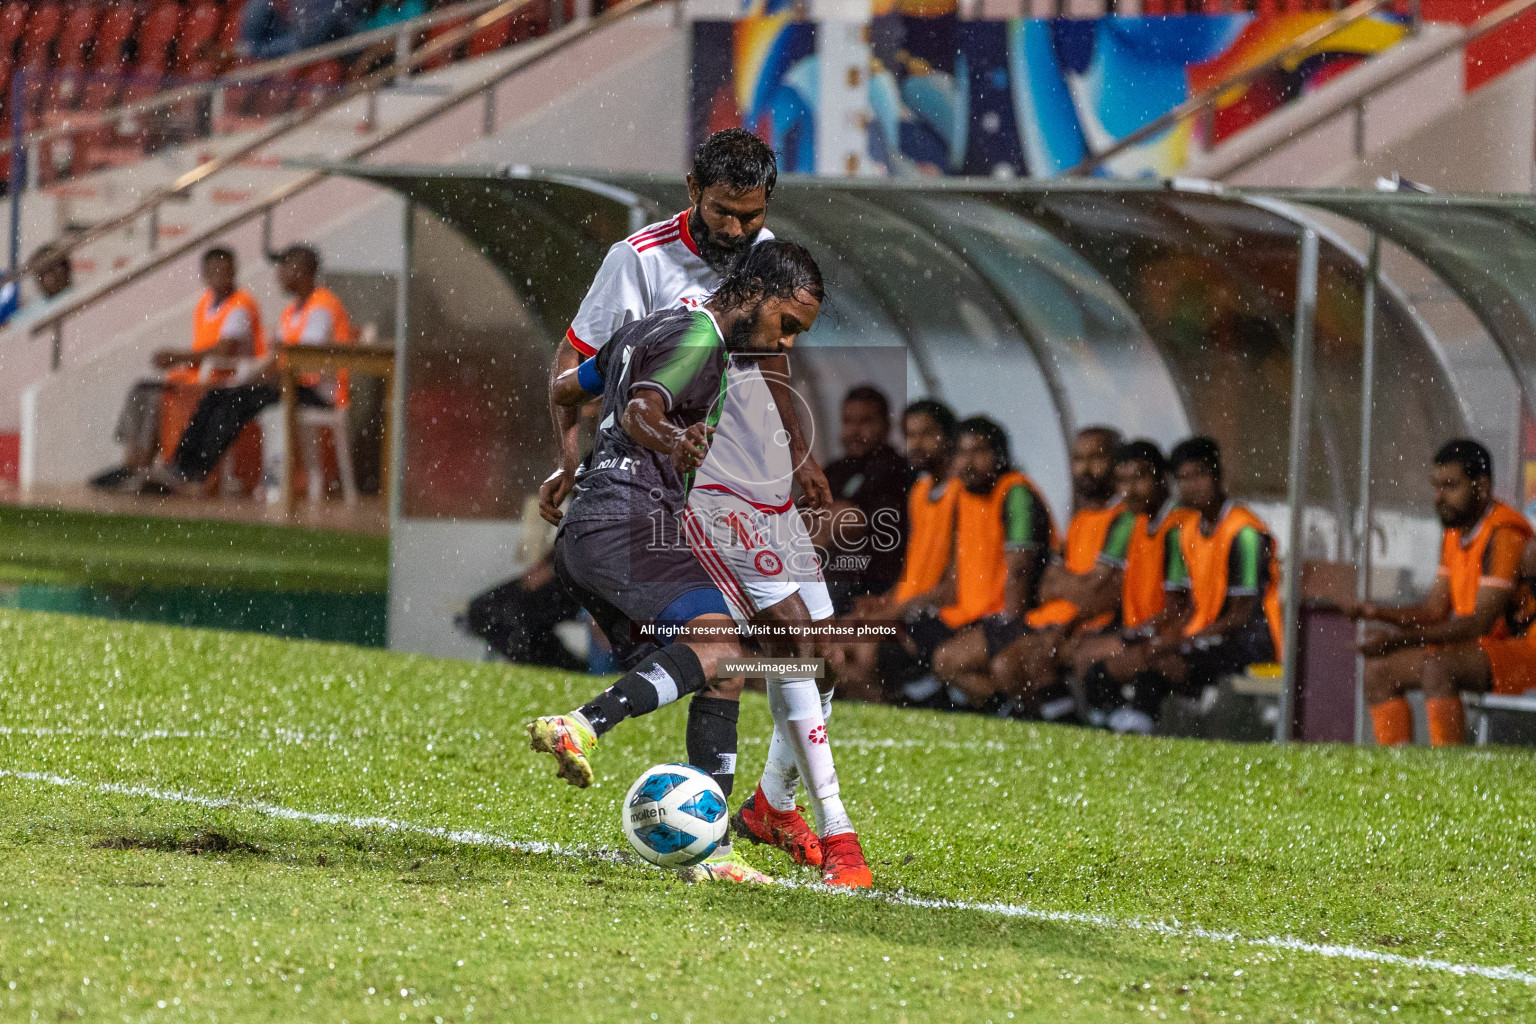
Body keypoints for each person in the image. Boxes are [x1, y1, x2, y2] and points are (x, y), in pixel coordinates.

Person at [537, 129, 849, 880]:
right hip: (659, 493)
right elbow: (595, 372)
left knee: (791, 651)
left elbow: (588, 382)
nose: (738, 231)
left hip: (715, 481)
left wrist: (794, 454)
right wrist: (577, 460)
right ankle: (814, 826)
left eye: (751, 216)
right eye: (722, 213)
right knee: (762, 645)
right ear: (690, 190)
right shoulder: (640, 265)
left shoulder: (759, 264)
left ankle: (737, 829)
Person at [1342, 439, 1534, 747]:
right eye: (1436, 486)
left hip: (1525, 652)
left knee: (1439, 667)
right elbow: (1434, 610)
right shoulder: (1455, 532)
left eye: (1450, 485)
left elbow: (1477, 625)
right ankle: (1397, 770)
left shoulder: (1504, 534)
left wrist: (1395, 639)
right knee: (1379, 671)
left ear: (1481, 486)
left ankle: (1446, 772)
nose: (1438, 496)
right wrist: (1375, 611)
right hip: (1481, 649)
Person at [133, 244, 354, 494]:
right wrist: (254, 378)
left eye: (283, 267)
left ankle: (195, 474)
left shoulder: (321, 308)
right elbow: (280, 359)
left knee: (235, 401)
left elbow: (301, 360)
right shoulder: (292, 311)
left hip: (317, 393)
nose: (278, 274)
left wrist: (256, 380)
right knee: (217, 396)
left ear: (301, 270)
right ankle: (179, 467)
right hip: (291, 386)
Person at [1111, 437, 1282, 735]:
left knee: (1163, 661)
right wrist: (1164, 635)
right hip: (1211, 634)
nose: (1192, 485)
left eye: (1200, 475)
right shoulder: (1187, 530)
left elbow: (1243, 615)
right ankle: (1126, 721)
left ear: (1217, 475)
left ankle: (1140, 726)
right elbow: (1188, 604)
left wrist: (1185, 640)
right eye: (1183, 478)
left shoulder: (1245, 532)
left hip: (1252, 642)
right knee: (1135, 655)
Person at [990, 426, 1133, 716]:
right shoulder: (1080, 519)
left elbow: (1102, 594)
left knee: (1034, 657)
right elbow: (1049, 585)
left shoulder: (1126, 518)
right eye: (1078, 459)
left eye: (1096, 458)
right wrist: (1076, 587)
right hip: (1060, 622)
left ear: (1117, 465)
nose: (1085, 468)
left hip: (1100, 627)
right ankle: (1047, 721)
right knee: (1007, 664)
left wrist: (1066, 614)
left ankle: (1071, 722)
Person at [95, 248, 267, 487]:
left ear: (234, 271)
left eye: (225, 270)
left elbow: (223, 351)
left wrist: (178, 357)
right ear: (204, 275)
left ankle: (144, 464)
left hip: (224, 378)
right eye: (214, 271)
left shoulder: (240, 305)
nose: (220, 276)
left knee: (156, 398)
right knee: (142, 391)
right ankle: (131, 461)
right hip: (199, 375)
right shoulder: (205, 304)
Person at [921, 417, 1055, 709]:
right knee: (906, 638)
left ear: (1001, 455)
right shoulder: (962, 496)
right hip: (974, 614)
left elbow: (1020, 569)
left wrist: (1009, 627)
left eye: (979, 452)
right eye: (960, 453)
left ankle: (1018, 711)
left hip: (1021, 615)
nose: (968, 462)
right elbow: (956, 571)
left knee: (949, 659)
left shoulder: (1016, 492)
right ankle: (1000, 708)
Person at [833, 399, 959, 703]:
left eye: (927, 433)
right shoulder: (918, 491)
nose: (916, 443)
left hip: (938, 615)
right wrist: (884, 602)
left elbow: (951, 586)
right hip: (910, 607)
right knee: (836, 638)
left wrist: (893, 612)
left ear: (950, 438)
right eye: (910, 435)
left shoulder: (961, 492)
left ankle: (904, 705)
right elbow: (913, 571)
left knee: (863, 650)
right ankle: (886, 710)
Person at [1070, 440, 1198, 725]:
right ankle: (1113, 722)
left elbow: (1178, 608)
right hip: (1145, 628)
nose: (1130, 488)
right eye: (1123, 480)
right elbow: (1103, 582)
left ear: (1163, 480)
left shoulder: (1178, 526)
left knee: (1093, 661)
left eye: (1139, 477)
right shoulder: (1137, 522)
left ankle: (1120, 724)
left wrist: (1133, 635)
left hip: (1173, 634)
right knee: (1085, 655)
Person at [815, 385, 913, 613]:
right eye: (848, 421)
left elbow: (851, 523)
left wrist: (823, 522)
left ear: (886, 425)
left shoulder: (896, 469)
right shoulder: (833, 470)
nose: (855, 431)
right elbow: (798, 520)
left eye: (866, 421)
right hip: (826, 572)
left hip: (868, 581)